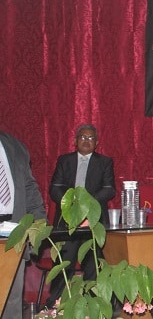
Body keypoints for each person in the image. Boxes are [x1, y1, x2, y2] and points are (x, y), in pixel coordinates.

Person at [47, 124, 116, 308]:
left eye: (91, 138)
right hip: (67, 221)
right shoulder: (65, 160)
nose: (86, 141)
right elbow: (54, 188)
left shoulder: (105, 162)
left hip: (93, 222)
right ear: (75, 141)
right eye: (83, 137)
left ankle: (92, 306)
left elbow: (109, 189)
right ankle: (56, 306)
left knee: (93, 266)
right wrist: (71, 204)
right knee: (63, 265)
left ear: (97, 143)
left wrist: (86, 204)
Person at [0, 132, 46, 319]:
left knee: (11, 295)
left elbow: (29, 187)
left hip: (13, 230)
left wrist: (39, 224)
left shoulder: (15, 146)